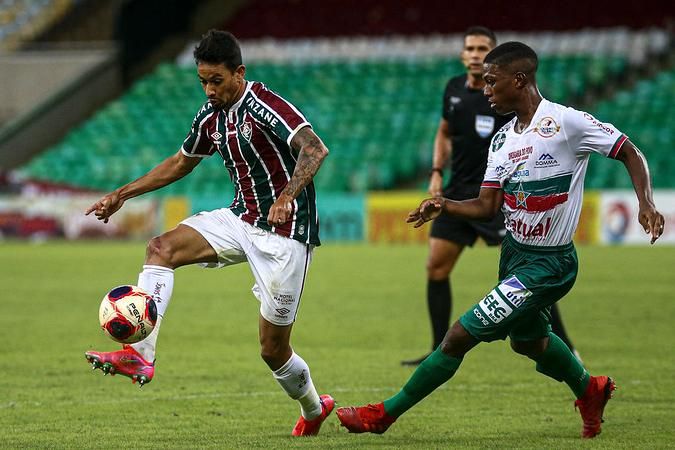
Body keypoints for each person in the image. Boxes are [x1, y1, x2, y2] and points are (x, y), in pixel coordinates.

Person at [336, 41, 665, 439]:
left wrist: (645, 203)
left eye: (492, 82)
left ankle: (382, 415)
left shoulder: (566, 123)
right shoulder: (502, 140)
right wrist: (444, 205)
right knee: (529, 343)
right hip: (514, 256)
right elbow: (488, 205)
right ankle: (590, 389)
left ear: (520, 79)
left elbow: (629, 150)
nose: (486, 89)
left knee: (459, 335)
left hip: (551, 262)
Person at [84, 30, 334, 436]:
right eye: (203, 81)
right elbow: (180, 163)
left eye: (216, 80)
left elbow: (315, 148)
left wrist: (288, 195)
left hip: (285, 234)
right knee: (160, 248)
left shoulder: (265, 104)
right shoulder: (210, 116)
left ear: (239, 73)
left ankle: (312, 408)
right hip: (239, 219)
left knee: (272, 350)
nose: (209, 89)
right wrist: (122, 195)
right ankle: (139, 354)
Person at [402, 26, 579, 366]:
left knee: (526, 271)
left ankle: (566, 346)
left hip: (496, 197)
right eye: (469, 47)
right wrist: (437, 171)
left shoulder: (502, 95)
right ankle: (438, 348)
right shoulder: (453, 89)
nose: (474, 53)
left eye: (482, 48)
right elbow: (443, 131)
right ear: (461, 53)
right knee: (436, 267)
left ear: (495, 56)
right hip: (458, 194)